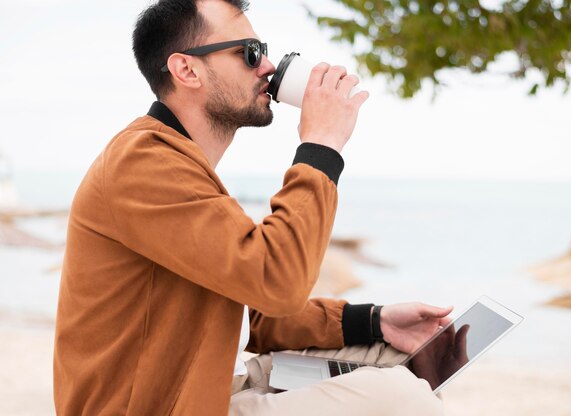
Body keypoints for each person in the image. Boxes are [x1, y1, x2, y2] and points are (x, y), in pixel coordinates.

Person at [53, 0, 454, 415]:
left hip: (203, 388)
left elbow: (247, 311)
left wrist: (375, 321)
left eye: (263, 50)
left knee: (394, 363)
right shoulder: (142, 164)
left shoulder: (180, 164)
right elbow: (277, 280)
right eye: (248, 52)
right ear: (186, 70)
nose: (266, 67)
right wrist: (321, 147)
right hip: (157, 406)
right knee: (398, 398)